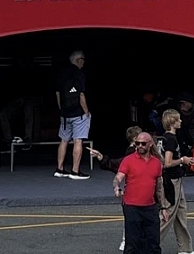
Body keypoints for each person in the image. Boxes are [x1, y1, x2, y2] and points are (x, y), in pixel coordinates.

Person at [112, 132, 170, 254]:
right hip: (131, 206)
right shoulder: (128, 160)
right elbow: (118, 177)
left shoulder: (157, 163)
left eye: (143, 143)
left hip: (150, 206)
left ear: (150, 144)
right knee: (132, 243)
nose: (139, 146)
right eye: (137, 143)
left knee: (153, 243)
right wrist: (116, 186)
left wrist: (163, 207)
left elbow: (159, 187)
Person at [89, 126, 142, 252]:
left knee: (133, 217)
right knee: (134, 216)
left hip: (135, 188)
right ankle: (127, 240)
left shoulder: (135, 151)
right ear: (135, 138)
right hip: (135, 189)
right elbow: (119, 165)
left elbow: (117, 165)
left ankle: (128, 240)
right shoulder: (132, 153)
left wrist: (102, 158)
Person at [157, 109, 194, 254]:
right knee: (168, 214)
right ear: (173, 122)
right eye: (178, 119)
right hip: (171, 180)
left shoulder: (163, 138)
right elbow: (167, 162)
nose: (181, 121)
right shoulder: (171, 140)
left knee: (181, 213)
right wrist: (183, 160)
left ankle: (185, 249)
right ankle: (150, 245)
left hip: (175, 179)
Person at [55, 50, 90, 180]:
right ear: (78, 60)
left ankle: (60, 169)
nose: (84, 62)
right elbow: (81, 94)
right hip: (78, 113)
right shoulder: (79, 74)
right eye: (83, 59)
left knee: (63, 140)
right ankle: (75, 171)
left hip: (64, 114)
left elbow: (58, 93)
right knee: (78, 140)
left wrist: (61, 109)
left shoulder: (61, 73)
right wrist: (86, 112)